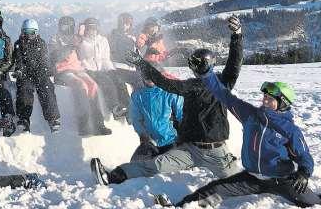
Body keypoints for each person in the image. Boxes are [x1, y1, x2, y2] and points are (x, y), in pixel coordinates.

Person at [90, 15, 244, 186]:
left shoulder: (221, 84)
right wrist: (141, 63)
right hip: (190, 150)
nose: (195, 67)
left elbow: (234, 62)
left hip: (217, 153)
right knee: (155, 165)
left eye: (197, 63)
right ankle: (112, 176)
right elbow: (164, 83)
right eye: (193, 63)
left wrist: (237, 35)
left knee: (239, 182)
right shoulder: (190, 86)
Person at [155, 69, 321, 208]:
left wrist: (304, 173)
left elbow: (304, 156)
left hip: (282, 180)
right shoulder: (251, 115)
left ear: (283, 103)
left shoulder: (290, 130)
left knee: (314, 203)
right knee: (214, 190)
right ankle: (179, 207)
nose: (265, 101)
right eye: (265, 97)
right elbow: (225, 95)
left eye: (270, 99)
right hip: (251, 179)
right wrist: (206, 74)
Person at [50, 18, 111, 136]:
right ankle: (84, 124)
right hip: (62, 71)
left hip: (77, 68)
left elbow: (83, 48)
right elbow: (56, 57)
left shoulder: (75, 38)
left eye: (67, 26)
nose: (65, 29)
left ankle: (99, 124)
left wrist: (81, 34)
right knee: (81, 85)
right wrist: (70, 46)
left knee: (93, 85)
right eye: (63, 26)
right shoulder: (55, 38)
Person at [12, 19, 61, 133]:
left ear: (36, 32)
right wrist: (20, 71)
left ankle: (53, 119)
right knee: (24, 89)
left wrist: (46, 70)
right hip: (25, 73)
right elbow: (19, 60)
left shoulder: (41, 43)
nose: (29, 36)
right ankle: (24, 119)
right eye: (26, 33)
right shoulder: (19, 44)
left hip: (39, 72)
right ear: (22, 32)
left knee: (47, 87)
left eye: (32, 33)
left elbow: (44, 60)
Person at [76, 17, 131, 118]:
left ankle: (129, 106)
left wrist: (110, 70)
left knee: (118, 80)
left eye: (94, 28)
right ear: (85, 29)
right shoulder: (81, 42)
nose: (92, 31)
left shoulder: (102, 40)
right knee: (106, 82)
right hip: (89, 70)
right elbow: (81, 59)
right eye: (89, 28)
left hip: (103, 68)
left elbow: (105, 58)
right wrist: (80, 35)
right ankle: (115, 108)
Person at [127, 70, 184, 161]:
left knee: (163, 165)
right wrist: (143, 135)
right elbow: (136, 119)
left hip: (171, 141)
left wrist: (184, 137)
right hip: (150, 143)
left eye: (152, 75)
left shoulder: (169, 93)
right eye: (146, 76)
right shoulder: (137, 95)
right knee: (135, 163)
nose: (150, 79)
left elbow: (182, 116)